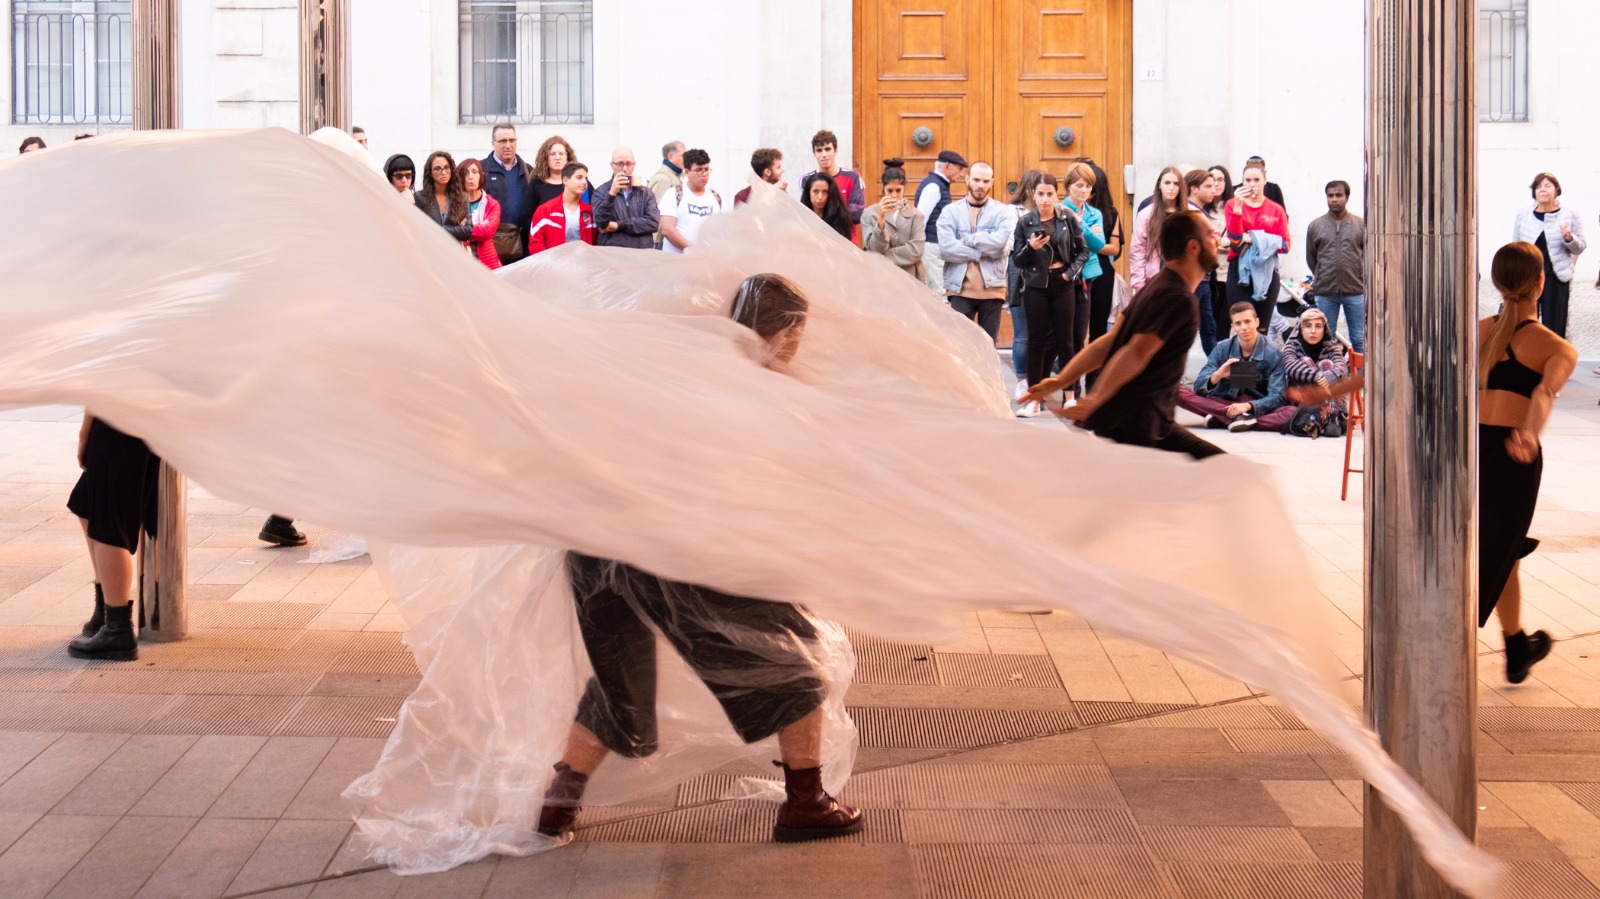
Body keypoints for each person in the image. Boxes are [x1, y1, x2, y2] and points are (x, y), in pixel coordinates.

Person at [537, 273, 863, 844]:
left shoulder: (684, 367)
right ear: (783, 332)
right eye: (797, 332)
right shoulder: (751, 390)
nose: (799, 345)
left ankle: (556, 804)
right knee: (792, 659)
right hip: (670, 551)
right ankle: (806, 802)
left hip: (595, 549)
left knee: (620, 684)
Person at [1293, 242, 1575, 684]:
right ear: (1541, 283)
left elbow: (1395, 364)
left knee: (1503, 549)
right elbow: (1543, 393)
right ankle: (1436, 649)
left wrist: (1330, 390)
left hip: (1466, 453)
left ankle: (1517, 642)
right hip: (1511, 460)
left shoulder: (1476, 331)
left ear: (1498, 283)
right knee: (1492, 552)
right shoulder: (1554, 347)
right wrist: (1529, 434)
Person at [1023, 211, 1225, 460]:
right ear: (1193, 247)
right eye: (1209, 234)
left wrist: (1060, 381)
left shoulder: (1159, 284)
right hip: (1139, 422)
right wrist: (1095, 397)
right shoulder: (1177, 298)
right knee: (1221, 470)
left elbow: (1110, 342)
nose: (1217, 238)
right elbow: (1135, 350)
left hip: (1135, 420)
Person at [66, 414, 161, 660]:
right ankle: (106, 610)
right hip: (141, 415)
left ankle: (118, 628)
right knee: (85, 502)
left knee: (109, 523)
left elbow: (100, 382)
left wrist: (84, 433)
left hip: (118, 418)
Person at [1013, 173, 1092, 407]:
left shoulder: (1066, 217)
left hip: (1063, 283)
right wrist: (1030, 247)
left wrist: (1069, 274)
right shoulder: (1025, 222)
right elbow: (1017, 261)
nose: (1045, 199)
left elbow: (1083, 251)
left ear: (1056, 195)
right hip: (1036, 285)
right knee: (1036, 342)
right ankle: (1034, 399)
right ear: (1032, 195)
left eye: (1050, 194)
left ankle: (1069, 397)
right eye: (1040, 194)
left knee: (1065, 341)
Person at [1179, 303, 1293, 433]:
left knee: (1290, 412)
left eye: (1247, 322)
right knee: (1176, 390)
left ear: (1257, 322)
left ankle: (1223, 419)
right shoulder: (1222, 348)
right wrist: (1218, 375)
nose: (1244, 327)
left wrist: (1249, 406)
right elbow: (1198, 387)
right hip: (1223, 402)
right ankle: (1237, 418)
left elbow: (1277, 395)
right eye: (1238, 323)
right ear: (1233, 327)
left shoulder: (1274, 353)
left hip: (1256, 405)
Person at [937, 162, 1013, 343]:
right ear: (967, 179)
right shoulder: (950, 212)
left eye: (986, 181)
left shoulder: (1001, 212)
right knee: (959, 347)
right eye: (977, 179)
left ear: (992, 182)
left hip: (993, 289)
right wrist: (980, 253)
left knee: (988, 346)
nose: (981, 185)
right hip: (960, 290)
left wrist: (969, 240)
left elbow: (1000, 245)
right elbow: (947, 249)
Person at [1511, 173, 1586, 340]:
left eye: (1547, 185)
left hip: (1555, 276)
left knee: (1554, 327)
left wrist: (1569, 238)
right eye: (1538, 187)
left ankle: (1552, 362)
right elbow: (1515, 246)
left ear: (1557, 190)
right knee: (1524, 324)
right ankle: (1527, 362)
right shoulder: (1523, 214)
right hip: (1527, 278)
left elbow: (1580, 247)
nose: (1542, 189)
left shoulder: (1569, 213)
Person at [1224, 160, 1291, 332]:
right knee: (1243, 324)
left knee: (1262, 327)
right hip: (1240, 269)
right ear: (1242, 182)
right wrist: (1238, 209)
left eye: (1256, 180)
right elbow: (1236, 239)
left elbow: (1285, 244)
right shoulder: (1232, 204)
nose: (1252, 184)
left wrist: (1254, 238)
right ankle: (1243, 359)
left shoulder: (1276, 210)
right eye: (1247, 180)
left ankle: (1260, 359)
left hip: (1267, 270)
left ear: (1265, 180)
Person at [1306, 180, 1367, 353]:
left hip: (1355, 290)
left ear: (1346, 197)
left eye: (1338, 195)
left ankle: (1361, 378)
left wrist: (1360, 276)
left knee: (1358, 338)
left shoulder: (1361, 225)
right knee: (1326, 338)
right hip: (1325, 291)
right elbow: (1311, 257)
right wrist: (1321, 275)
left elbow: (1369, 256)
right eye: (1330, 195)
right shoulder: (1316, 226)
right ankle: (1329, 376)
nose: (1334, 199)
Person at [1280, 307, 1348, 438]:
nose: (1313, 331)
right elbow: (1290, 366)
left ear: (1324, 329)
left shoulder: (1332, 346)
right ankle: (1332, 417)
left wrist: (1327, 376)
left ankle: (1331, 416)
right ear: (1301, 329)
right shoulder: (1292, 345)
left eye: (1318, 326)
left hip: (1329, 398)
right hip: (1303, 399)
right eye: (1308, 326)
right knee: (1306, 361)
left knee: (1326, 364)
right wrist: (1316, 376)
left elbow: (1342, 367)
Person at [913, 150, 969, 296]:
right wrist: (917, 248)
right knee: (940, 293)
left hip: (935, 245)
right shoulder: (934, 187)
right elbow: (921, 218)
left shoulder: (939, 185)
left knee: (937, 291)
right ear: (947, 166)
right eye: (959, 169)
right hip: (932, 245)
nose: (961, 174)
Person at [861, 158, 926, 279]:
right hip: (880, 277)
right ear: (883, 189)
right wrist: (881, 221)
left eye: (898, 190)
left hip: (909, 277)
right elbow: (875, 248)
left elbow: (916, 250)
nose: (894, 195)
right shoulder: (869, 214)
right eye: (889, 190)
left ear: (904, 188)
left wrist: (884, 257)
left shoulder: (916, 215)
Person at [481, 123, 535, 266]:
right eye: (503, 141)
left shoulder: (529, 171)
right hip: (491, 246)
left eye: (512, 140)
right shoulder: (480, 170)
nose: (508, 145)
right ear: (493, 143)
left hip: (523, 246)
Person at [1084, 162, 1124, 349]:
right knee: (1074, 328)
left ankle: (1095, 377)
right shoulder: (1069, 211)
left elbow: (1115, 249)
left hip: (1101, 273)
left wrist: (1090, 240)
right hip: (1077, 271)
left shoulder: (1110, 213)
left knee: (1099, 328)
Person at [1129, 167, 1187, 292]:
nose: (1171, 188)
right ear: (1159, 185)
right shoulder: (1146, 215)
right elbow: (1137, 251)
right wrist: (1139, 285)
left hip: (1183, 281)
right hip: (1154, 281)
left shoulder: (1190, 214)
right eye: (1167, 183)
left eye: (1176, 184)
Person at [592, 147, 660, 250]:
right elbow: (601, 224)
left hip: (642, 255)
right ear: (612, 165)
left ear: (634, 165)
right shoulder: (600, 192)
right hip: (614, 255)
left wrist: (618, 225)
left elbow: (653, 223)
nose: (624, 169)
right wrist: (612, 194)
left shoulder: (645, 193)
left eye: (628, 163)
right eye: (619, 164)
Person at [1185, 168, 1222, 353]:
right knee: (1185, 328)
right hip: (1194, 278)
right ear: (1194, 189)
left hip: (1203, 278)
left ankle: (1216, 374)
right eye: (1208, 186)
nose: (1213, 190)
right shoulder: (1191, 213)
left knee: (1208, 328)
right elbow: (1211, 242)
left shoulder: (1199, 212)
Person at [658, 149, 720, 254]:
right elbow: (667, 230)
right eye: (698, 170)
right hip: (678, 263)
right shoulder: (673, 194)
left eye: (707, 169)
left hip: (707, 262)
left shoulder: (716, 197)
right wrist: (694, 250)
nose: (704, 174)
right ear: (687, 172)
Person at [804, 130, 864, 236]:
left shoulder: (853, 177)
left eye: (828, 149)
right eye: (819, 150)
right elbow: (807, 214)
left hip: (847, 242)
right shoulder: (807, 180)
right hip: (816, 240)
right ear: (814, 154)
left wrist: (823, 214)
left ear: (835, 151)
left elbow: (857, 215)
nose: (824, 155)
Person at [528, 163, 596, 254]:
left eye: (586, 178)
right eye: (579, 177)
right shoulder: (545, 211)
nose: (584, 182)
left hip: (583, 266)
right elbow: (535, 243)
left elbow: (596, 243)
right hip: (553, 266)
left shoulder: (589, 212)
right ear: (565, 180)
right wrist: (549, 263)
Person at [414, 151, 472, 242]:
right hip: (428, 250)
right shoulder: (420, 197)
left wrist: (438, 229)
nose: (443, 172)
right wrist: (456, 229)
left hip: (454, 251)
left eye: (446, 167)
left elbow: (468, 231)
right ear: (430, 173)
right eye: (437, 169)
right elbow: (418, 229)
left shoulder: (461, 198)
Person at [1203, 166, 1233, 333]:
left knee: (1224, 320)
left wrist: (1220, 242)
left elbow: (1240, 236)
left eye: (1220, 179)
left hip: (1229, 271)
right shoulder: (1202, 209)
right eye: (1212, 179)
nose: (1216, 183)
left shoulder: (1234, 207)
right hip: (1209, 272)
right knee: (1209, 320)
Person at [458, 157, 502, 269]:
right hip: (460, 262)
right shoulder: (452, 204)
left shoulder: (491, 204)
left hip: (488, 264)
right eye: (466, 173)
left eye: (474, 172)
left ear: (482, 175)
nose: (470, 177)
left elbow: (488, 231)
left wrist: (463, 229)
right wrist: (478, 228)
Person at [528, 136, 584, 211]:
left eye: (561, 153)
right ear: (546, 158)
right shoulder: (536, 185)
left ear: (567, 158)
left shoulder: (580, 182)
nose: (557, 157)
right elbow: (527, 217)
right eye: (552, 154)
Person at [647, 140, 685, 248]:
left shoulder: (673, 176)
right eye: (682, 156)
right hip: (660, 241)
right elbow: (654, 212)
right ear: (670, 156)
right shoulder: (664, 179)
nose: (686, 160)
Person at [800, 172, 853, 241]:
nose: (820, 197)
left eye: (825, 192)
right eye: (816, 191)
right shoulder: (800, 216)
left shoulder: (840, 218)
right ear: (808, 192)